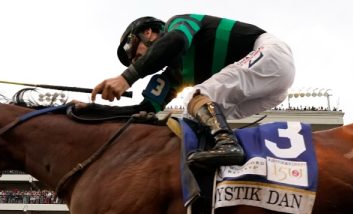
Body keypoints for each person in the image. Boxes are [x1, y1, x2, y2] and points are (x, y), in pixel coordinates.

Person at [90, 14, 295, 168]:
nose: (134, 60)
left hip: (271, 54)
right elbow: (145, 110)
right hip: (272, 92)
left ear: (148, 32)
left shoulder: (177, 24)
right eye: (132, 61)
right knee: (191, 118)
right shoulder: (174, 75)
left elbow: (176, 41)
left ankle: (228, 145)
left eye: (132, 50)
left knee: (195, 96)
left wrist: (127, 77)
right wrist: (92, 111)